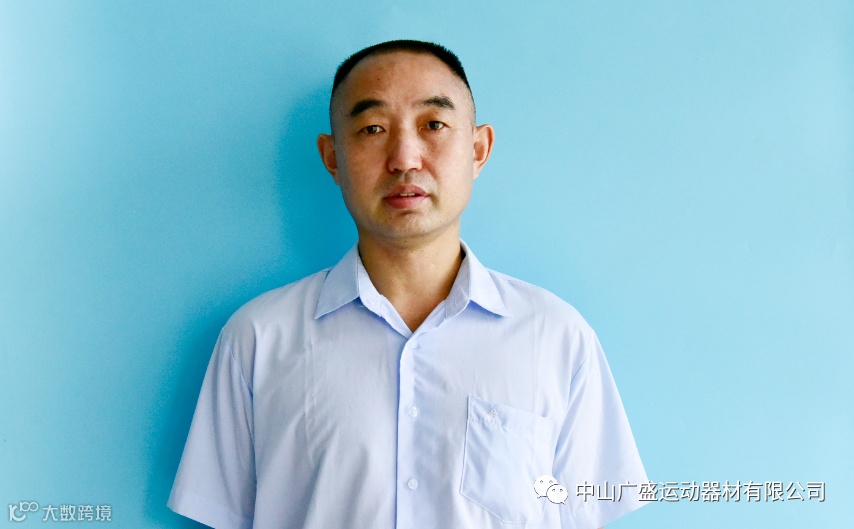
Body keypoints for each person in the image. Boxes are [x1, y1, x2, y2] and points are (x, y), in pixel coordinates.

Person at [168, 39, 648, 529]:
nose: (404, 159)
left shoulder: (557, 337)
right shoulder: (257, 338)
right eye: (373, 128)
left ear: (478, 149)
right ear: (332, 158)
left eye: (433, 125)